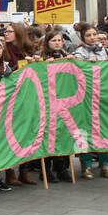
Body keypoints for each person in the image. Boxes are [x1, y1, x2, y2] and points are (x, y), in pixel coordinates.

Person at [72, 24, 108, 179]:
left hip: (103, 96)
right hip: (86, 97)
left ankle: (106, 165)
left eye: (94, 34)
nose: (92, 38)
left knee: (104, 130)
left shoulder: (105, 51)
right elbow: (77, 72)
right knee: (85, 131)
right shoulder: (79, 52)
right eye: (88, 35)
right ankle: (86, 166)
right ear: (83, 38)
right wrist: (86, 65)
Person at [35, 28, 74, 184]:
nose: (57, 43)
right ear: (47, 43)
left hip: (63, 102)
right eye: (54, 40)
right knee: (48, 135)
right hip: (46, 102)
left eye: (59, 40)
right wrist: (42, 64)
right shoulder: (40, 57)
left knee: (62, 134)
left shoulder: (67, 56)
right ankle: (47, 168)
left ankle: (62, 167)